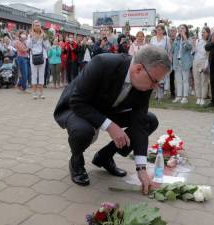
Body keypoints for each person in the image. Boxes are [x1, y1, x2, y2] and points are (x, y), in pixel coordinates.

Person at [53, 46, 171, 194]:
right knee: (82, 131)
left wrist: (141, 168)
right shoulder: (103, 63)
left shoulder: (144, 84)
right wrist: (109, 126)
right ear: (138, 69)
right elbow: (77, 101)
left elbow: (139, 122)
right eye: (154, 81)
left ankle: (104, 157)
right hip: (78, 106)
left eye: (157, 83)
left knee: (149, 120)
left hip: (107, 109)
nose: (154, 87)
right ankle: (76, 160)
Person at [27, 20, 50, 99]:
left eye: (39, 25)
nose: (38, 26)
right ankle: (34, 93)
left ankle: (41, 93)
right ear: (33, 26)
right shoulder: (30, 35)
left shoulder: (44, 35)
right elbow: (29, 46)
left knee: (41, 75)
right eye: (36, 25)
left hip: (42, 57)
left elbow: (47, 47)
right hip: (33, 57)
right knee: (34, 75)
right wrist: (31, 38)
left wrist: (44, 39)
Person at [171, 24, 193, 104]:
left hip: (185, 62)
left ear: (186, 30)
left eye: (183, 28)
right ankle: (179, 96)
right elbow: (173, 50)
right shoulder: (177, 39)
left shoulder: (189, 38)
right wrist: (174, 40)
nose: (181, 30)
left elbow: (189, 48)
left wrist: (185, 38)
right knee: (178, 80)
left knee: (185, 80)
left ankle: (185, 97)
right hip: (177, 62)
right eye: (180, 28)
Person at [193, 27, 211, 106]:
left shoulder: (208, 43)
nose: (202, 33)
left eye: (204, 32)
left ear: (208, 33)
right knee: (197, 81)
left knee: (204, 81)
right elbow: (193, 52)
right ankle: (198, 97)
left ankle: (203, 98)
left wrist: (206, 66)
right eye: (202, 32)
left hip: (203, 62)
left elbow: (208, 55)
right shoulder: (198, 41)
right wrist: (194, 44)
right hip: (195, 62)